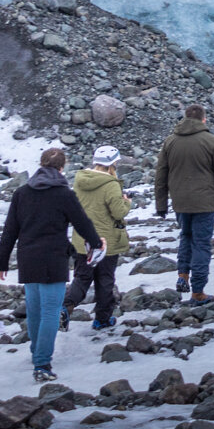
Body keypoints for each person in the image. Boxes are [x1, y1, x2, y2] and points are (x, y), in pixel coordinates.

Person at [0, 148, 104, 382]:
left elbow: (9, 231)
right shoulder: (64, 194)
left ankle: (36, 354)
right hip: (53, 259)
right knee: (49, 312)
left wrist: (2, 261)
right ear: (61, 168)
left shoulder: (21, 193)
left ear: (41, 164)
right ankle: (42, 364)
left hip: (27, 258)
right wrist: (96, 243)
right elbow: (82, 223)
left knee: (35, 310)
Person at [155, 103, 214, 305]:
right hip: (204, 202)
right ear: (204, 119)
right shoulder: (211, 141)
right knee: (201, 243)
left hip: (180, 201)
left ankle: (182, 276)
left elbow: (161, 175)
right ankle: (198, 291)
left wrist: (161, 205)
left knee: (185, 236)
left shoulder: (170, 141)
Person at [62, 146, 130, 331]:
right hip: (106, 241)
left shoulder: (80, 180)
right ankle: (102, 319)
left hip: (82, 239)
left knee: (82, 277)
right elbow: (118, 212)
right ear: (112, 164)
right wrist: (126, 202)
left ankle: (66, 306)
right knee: (105, 279)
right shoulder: (111, 184)